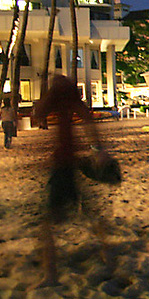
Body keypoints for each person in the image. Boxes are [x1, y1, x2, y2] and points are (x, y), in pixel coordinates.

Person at [32, 75, 117, 286]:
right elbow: (90, 127)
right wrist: (99, 151)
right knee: (89, 214)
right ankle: (109, 256)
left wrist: (98, 151)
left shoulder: (66, 106)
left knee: (48, 224)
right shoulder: (69, 107)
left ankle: (50, 275)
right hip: (69, 165)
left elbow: (37, 115)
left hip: (63, 167)